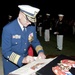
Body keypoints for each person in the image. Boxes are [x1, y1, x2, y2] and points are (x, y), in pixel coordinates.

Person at [1, 5, 46, 75]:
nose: (30, 23)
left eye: (31, 20)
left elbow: (35, 41)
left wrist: (40, 52)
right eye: (28, 20)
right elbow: (6, 51)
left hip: (26, 63)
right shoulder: (8, 29)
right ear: (20, 15)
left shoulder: (31, 27)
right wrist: (22, 59)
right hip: (11, 64)